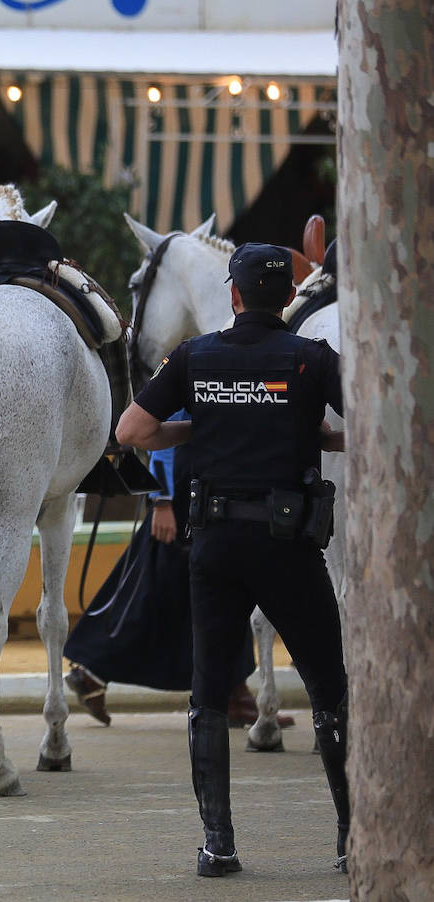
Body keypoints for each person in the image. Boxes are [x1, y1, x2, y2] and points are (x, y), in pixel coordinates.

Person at [116, 242, 349, 877]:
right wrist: (319, 436)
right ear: (287, 298)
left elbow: (130, 432)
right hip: (290, 546)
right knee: (329, 687)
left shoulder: (195, 357)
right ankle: (351, 839)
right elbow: (372, 422)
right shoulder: (309, 358)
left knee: (210, 693)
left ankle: (219, 845)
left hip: (215, 545)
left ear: (235, 296)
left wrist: (199, 426)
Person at [64, 409, 284, 730]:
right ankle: (235, 696)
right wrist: (163, 502)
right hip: (186, 496)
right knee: (168, 588)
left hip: (208, 487)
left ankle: (236, 694)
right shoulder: (191, 360)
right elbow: (160, 432)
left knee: (187, 589)